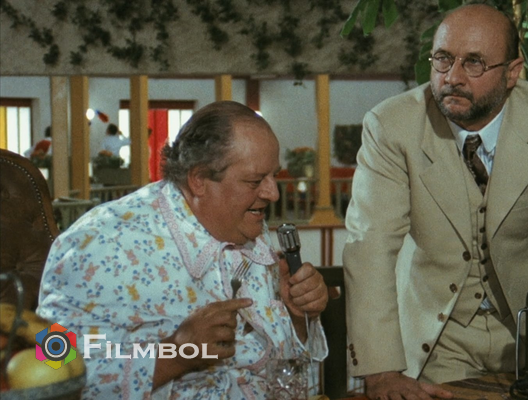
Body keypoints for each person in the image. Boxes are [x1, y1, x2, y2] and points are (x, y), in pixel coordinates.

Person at [342, 4, 528, 399]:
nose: (452, 77)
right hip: (437, 340)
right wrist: (380, 371)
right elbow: (371, 246)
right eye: (443, 59)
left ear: (512, 72)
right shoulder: (392, 126)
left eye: (474, 63)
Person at [37, 101, 329, 399]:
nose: (273, 193)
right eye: (255, 181)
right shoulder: (100, 243)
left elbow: (274, 360)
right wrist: (175, 354)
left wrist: (296, 316)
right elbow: (50, 359)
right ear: (199, 180)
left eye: (274, 176)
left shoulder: (248, 225)